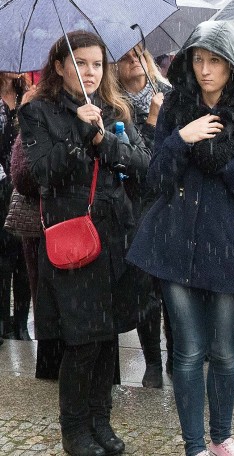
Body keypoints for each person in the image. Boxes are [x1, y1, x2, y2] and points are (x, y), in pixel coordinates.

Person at [128, 21, 234, 456]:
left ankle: (222, 437)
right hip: (178, 244)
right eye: (198, 60)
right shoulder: (176, 108)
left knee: (226, 353)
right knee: (190, 352)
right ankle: (195, 445)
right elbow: (154, 178)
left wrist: (222, 158)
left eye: (214, 61)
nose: (205, 70)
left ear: (232, 65)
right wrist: (181, 138)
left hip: (232, 249)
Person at [19, 31, 152, 456]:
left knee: (107, 336)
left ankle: (101, 420)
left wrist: (103, 139)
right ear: (60, 67)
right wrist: (79, 130)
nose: (90, 72)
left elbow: (142, 166)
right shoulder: (38, 112)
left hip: (113, 237)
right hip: (72, 239)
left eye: (97, 64)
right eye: (80, 63)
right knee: (82, 340)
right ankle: (74, 429)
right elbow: (43, 173)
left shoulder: (115, 109)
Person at [115, 44, 171, 388]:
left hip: (171, 202)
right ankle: (153, 360)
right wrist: (150, 121)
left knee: (175, 287)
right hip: (136, 207)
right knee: (146, 288)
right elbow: (140, 165)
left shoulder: (169, 93)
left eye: (139, 54)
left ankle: (178, 355)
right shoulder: (114, 105)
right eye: (125, 57)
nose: (134, 60)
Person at [0, 72, 29, 341]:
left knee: (23, 257)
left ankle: (20, 323)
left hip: (24, 186)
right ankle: (2, 320)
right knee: (3, 259)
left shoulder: (27, 96)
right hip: (0, 187)